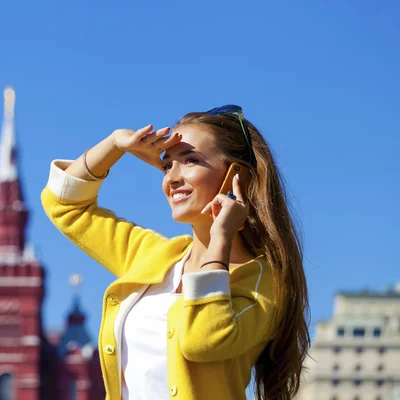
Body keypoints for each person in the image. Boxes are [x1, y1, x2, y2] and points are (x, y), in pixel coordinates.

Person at [40, 105, 310, 400]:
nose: (172, 178)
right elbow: (63, 204)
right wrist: (116, 143)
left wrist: (220, 238)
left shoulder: (265, 284)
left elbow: (203, 340)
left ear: (237, 176)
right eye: (168, 165)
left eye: (190, 160)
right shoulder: (154, 256)